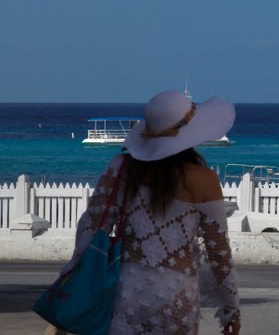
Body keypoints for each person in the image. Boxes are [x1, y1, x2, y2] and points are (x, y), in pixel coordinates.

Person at [61, 90, 241, 334]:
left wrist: (72, 276)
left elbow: (92, 226)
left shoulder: (122, 168)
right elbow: (218, 251)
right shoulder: (204, 180)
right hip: (177, 294)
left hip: (126, 289)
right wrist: (230, 308)